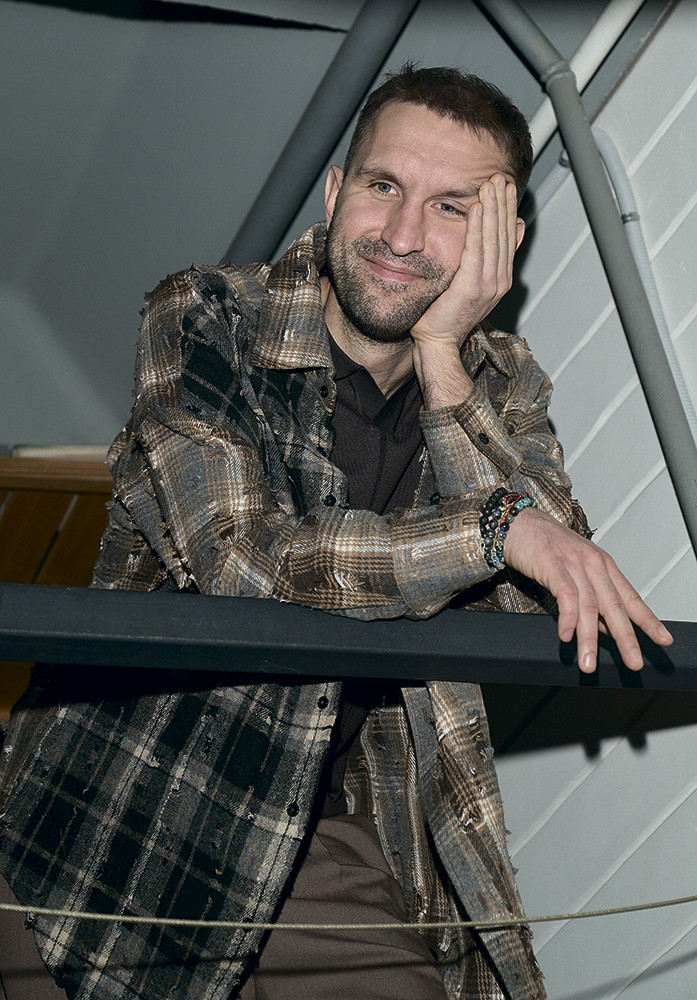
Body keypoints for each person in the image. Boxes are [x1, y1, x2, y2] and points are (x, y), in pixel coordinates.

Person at [0, 65, 672, 1000]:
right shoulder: (209, 314)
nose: (400, 235)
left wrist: (443, 363)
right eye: (382, 186)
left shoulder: (503, 384)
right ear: (333, 191)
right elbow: (241, 559)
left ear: (504, 240)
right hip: (116, 809)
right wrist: (489, 530)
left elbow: (538, 603)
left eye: (450, 208)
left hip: (324, 832)